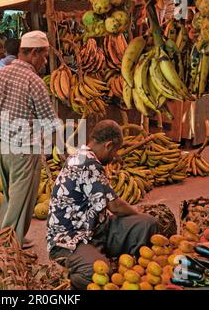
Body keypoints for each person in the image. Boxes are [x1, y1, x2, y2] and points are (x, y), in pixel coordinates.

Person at [47, 120, 158, 290]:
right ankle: (69, 276)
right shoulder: (85, 162)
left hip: (97, 228)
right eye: (115, 151)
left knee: (146, 224)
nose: (115, 156)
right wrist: (135, 212)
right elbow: (115, 206)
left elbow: (106, 204)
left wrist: (139, 218)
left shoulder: (87, 157)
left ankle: (127, 266)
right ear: (108, 145)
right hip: (70, 240)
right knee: (97, 274)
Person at [0, 30, 58, 248]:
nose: (44, 62)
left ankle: (12, 235)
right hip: (23, 150)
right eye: (43, 56)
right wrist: (65, 150)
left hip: (0, 148)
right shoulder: (34, 81)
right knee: (21, 201)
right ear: (32, 53)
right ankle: (6, 249)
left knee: (10, 197)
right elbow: (50, 121)